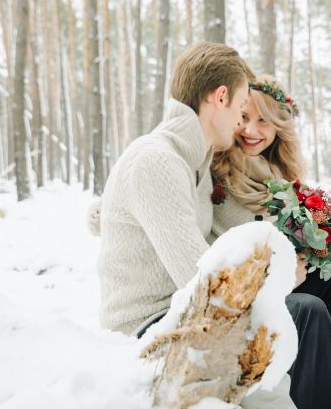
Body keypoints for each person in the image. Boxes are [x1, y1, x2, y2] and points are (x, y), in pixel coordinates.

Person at [210, 74, 331, 409]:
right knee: (309, 309)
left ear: (279, 126)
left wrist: (318, 244)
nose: (251, 131)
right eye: (245, 118)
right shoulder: (216, 163)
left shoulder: (277, 172)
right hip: (237, 289)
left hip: (273, 279)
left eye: (263, 121)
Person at [96, 41, 251, 336]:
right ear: (220, 97)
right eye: (241, 106)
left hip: (179, 312)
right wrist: (281, 281)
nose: (241, 122)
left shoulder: (195, 162)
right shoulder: (157, 160)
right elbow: (199, 283)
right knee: (306, 313)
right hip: (145, 327)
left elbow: (235, 226)